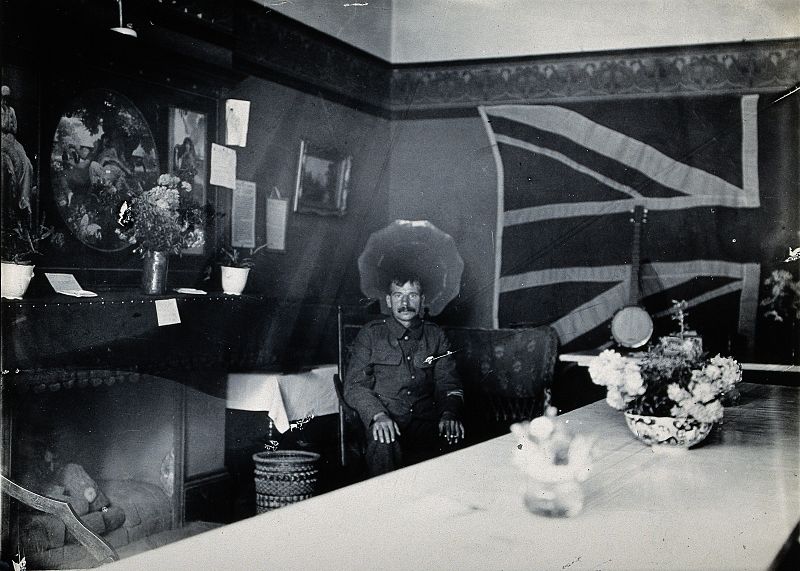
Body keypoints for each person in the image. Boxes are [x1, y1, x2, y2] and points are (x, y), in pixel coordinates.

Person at [343, 274, 465, 477]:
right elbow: (355, 386)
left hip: (427, 421)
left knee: (454, 437)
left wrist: (449, 414)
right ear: (389, 301)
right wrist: (377, 415)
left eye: (412, 295)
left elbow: (448, 383)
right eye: (398, 295)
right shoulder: (371, 334)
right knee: (383, 440)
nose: (405, 303)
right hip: (386, 418)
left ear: (422, 300)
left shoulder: (435, 335)